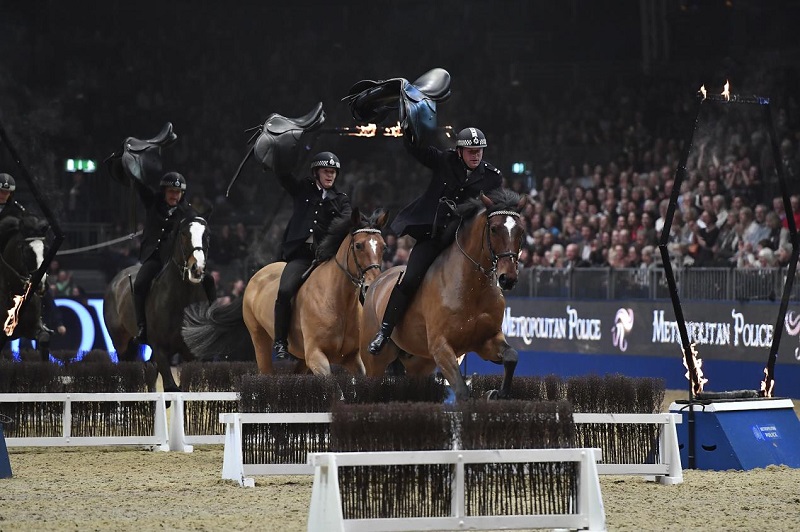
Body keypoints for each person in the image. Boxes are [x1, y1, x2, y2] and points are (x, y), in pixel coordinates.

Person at [368, 127, 503, 355]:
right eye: (470, 151)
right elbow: (416, 150)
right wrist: (411, 128)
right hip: (436, 235)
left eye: (479, 151)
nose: (476, 155)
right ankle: (385, 330)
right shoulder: (444, 160)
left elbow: (496, 212)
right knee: (410, 278)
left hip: (467, 240)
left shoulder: (492, 176)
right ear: (459, 151)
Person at [272, 152, 351, 360]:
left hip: (327, 260)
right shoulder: (303, 189)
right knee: (285, 291)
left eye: (333, 172)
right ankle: (280, 341)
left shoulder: (341, 200)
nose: (330, 176)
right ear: (316, 173)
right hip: (301, 257)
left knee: (359, 291)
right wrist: (279, 151)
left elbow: (347, 222)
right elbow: (284, 177)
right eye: (326, 171)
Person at [132, 171, 216, 344]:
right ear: (164, 191)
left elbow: (197, 231)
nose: (174, 195)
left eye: (177, 192)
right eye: (171, 191)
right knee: (140, 284)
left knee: (209, 280)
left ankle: (214, 322)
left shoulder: (188, 211)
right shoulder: (153, 202)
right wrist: (133, 168)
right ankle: (142, 326)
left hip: (179, 260)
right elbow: (141, 188)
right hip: (155, 257)